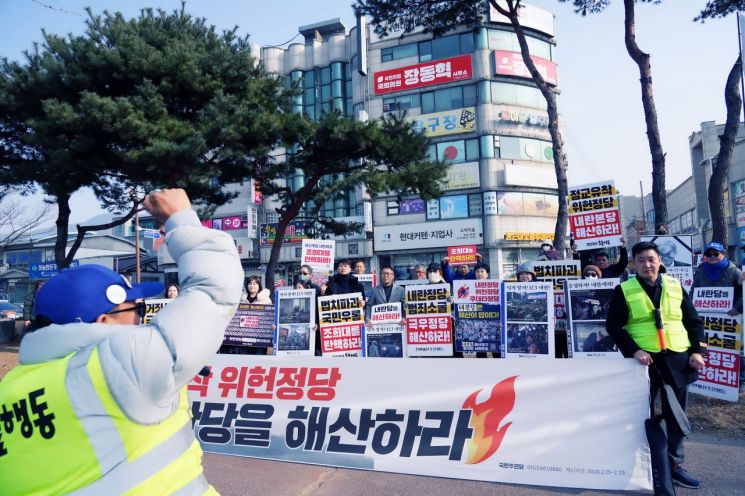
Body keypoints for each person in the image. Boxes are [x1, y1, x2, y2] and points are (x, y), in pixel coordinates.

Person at [0, 188, 243, 494]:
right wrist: (180, 219)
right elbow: (215, 291)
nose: (143, 319)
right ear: (103, 321)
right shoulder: (123, 363)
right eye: (136, 310)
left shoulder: (10, 388)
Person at [606, 241, 706, 490]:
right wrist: (634, 350)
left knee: (677, 416)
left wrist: (697, 351)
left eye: (651, 259)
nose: (647, 265)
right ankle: (647, 466)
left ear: (660, 260)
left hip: (678, 358)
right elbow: (613, 326)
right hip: (644, 362)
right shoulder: (624, 290)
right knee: (643, 414)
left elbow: (693, 321)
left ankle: (675, 466)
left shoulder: (675, 286)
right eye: (641, 260)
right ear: (634, 263)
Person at [690, 241, 742, 316]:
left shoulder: (735, 272)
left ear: (723, 254)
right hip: (704, 316)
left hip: (730, 317)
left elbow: (742, 294)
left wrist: (737, 308)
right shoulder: (700, 271)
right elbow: (693, 292)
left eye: (716, 254)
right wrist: (690, 307)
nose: (712, 256)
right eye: (708, 254)